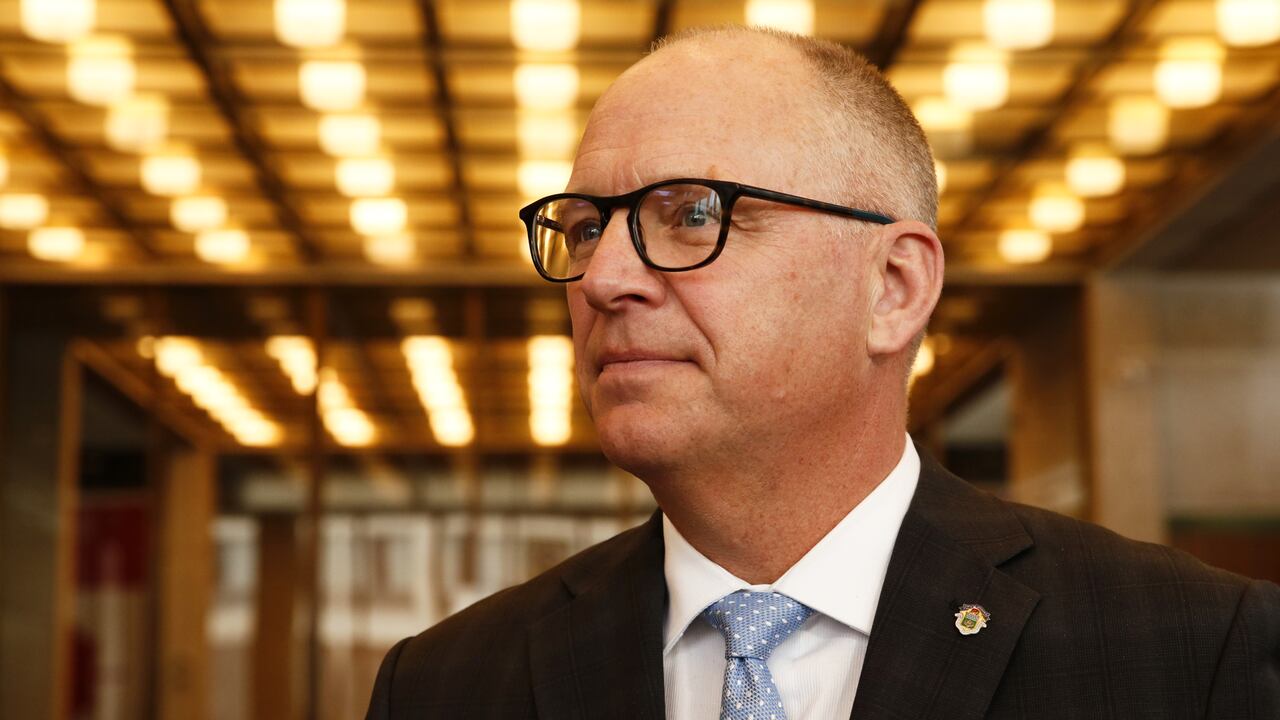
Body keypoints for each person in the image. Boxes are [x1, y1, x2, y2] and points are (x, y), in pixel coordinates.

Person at [366, 26, 1279, 719]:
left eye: (693, 214)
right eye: (586, 228)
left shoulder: (1192, 654)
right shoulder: (447, 684)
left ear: (893, 286)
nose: (603, 280)